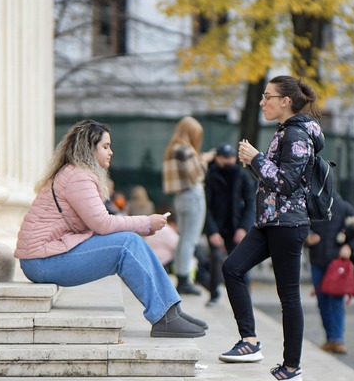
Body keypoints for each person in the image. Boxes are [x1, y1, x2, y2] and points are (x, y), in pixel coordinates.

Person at [14, 119, 208, 338]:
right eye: (105, 146)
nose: (111, 152)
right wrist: (146, 223)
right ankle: (165, 316)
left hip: (46, 257)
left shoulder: (76, 173)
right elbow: (103, 224)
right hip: (42, 262)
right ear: (89, 148)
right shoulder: (78, 176)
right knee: (127, 242)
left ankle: (172, 310)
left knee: (128, 240)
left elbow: (98, 223)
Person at [218, 76, 325, 381]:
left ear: (286, 102)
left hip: (288, 224)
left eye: (268, 97)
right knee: (232, 268)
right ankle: (249, 340)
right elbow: (276, 181)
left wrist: (256, 159)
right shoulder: (287, 132)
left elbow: (286, 183)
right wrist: (257, 163)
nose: (263, 102)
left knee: (288, 295)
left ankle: (292, 367)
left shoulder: (297, 135)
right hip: (270, 221)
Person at [306, 192, 354, 354]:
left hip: (336, 264)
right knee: (322, 302)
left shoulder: (342, 206)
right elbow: (299, 227)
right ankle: (331, 339)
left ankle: (338, 339)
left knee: (335, 301)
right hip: (317, 261)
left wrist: (349, 246)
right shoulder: (311, 205)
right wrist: (307, 237)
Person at [162, 116, 215, 296]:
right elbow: (197, 175)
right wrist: (205, 160)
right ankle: (184, 279)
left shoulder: (172, 149)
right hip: (193, 196)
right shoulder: (185, 149)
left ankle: (181, 277)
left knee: (183, 238)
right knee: (190, 239)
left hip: (180, 197)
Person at [204, 143, 255, 307]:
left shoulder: (242, 175)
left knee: (240, 262)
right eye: (224, 157)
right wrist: (211, 231)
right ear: (217, 158)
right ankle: (214, 294)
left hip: (236, 227)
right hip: (217, 227)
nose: (228, 161)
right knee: (216, 258)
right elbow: (205, 207)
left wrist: (243, 228)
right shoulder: (210, 176)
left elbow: (251, 203)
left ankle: (245, 297)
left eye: (231, 157)